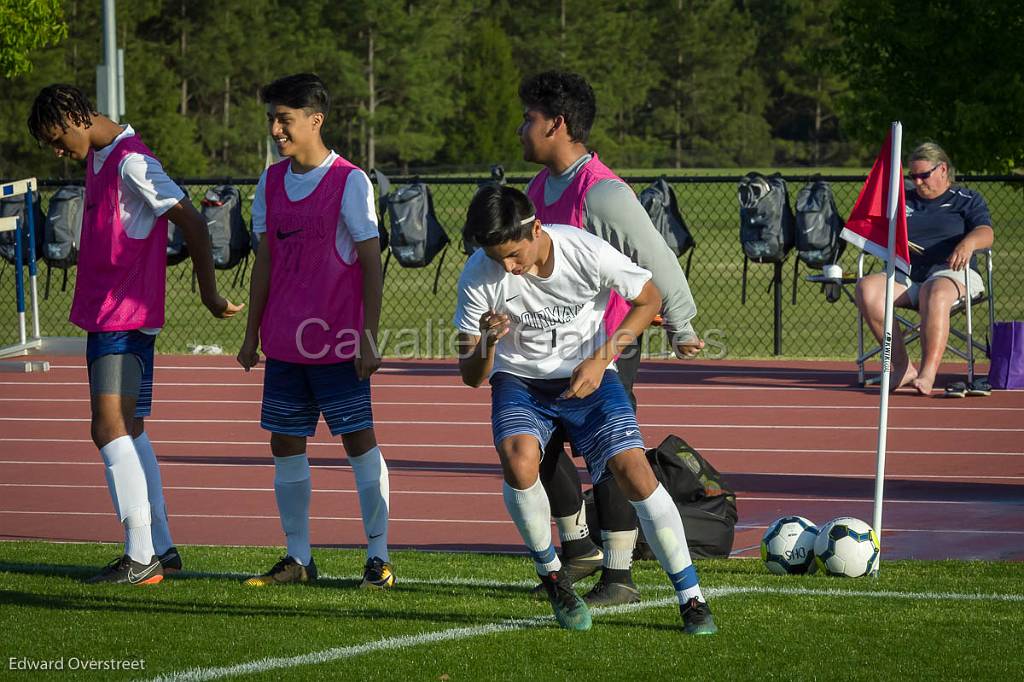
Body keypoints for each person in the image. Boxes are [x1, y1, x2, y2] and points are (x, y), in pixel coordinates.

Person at [454, 184, 717, 635]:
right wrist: (488, 342)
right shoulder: (479, 273)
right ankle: (553, 576)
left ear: (535, 228)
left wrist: (601, 357)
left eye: (515, 255)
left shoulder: (586, 251)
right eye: (500, 260)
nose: (510, 268)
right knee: (519, 462)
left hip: (591, 375)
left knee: (634, 470)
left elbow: (649, 298)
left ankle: (690, 596)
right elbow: (472, 375)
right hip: (519, 381)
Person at [27, 84, 242, 584]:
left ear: (78, 118)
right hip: (116, 314)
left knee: (106, 428)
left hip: (122, 317)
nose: (57, 151)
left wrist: (209, 293)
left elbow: (189, 217)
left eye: (58, 139)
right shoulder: (103, 155)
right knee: (130, 428)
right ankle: (160, 548)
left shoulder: (131, 160)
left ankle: (140, 555)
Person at [517, 70, 704, 606]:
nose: (520, 128)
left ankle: (618, 576)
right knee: (536, 445)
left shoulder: (602, 192)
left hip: (606, 343)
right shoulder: (536, 189)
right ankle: (579, 550)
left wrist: (684, 324)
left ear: (556, 125)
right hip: (546, 347)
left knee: (610, 453)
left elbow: (657, 257)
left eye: (529, 119)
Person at [236, 73, 393, 589]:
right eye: (272, 120)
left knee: (358, 444)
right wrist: (251, 333)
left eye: (284, 119)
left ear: (315, 120)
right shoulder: (269, 181)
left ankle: (378, 558)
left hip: (338, 346)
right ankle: (298, 559)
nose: (276, 129)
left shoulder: (350, 181)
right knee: (285, 445)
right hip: (284, 346)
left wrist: (369, 338)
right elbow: (265, 264)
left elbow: (371, 264)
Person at [855, 142, 994, 396]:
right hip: (908, 276)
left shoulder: (966, 199)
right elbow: (873, 227)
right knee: (867, 289)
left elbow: (986, 233)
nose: (917, 182)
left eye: (923, 175)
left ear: (942, 169)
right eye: (912, 176)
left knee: (935, 291)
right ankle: (902, 366)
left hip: (953, 275)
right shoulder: (901, 201)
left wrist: (968, 243)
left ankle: (928, 373)